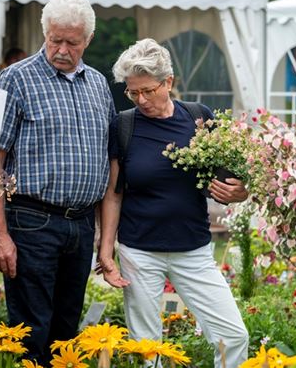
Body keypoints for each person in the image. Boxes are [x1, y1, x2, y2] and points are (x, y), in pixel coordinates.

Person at [98, 38, 249, 368]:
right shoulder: (124, 125)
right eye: (132, 92)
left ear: (169, 82)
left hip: (193, 249)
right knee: (148, 349)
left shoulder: (199, 118)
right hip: (139, 251)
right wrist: (106, 250)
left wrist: (241, 191)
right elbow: (114, 193)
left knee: (233, 335)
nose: (141, 99)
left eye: (148, 90)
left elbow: (230, 178)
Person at [0, 0, 115, 365]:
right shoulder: (15, 80)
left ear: (88, 40)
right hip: (31, 221)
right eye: (54, 39)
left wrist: (105, 235)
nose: (61, 49)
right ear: (45, 33)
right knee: (32, 331)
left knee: (65, 333)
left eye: (72, 42)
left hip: (80, 224)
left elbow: (107, 162)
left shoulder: (99, 85)